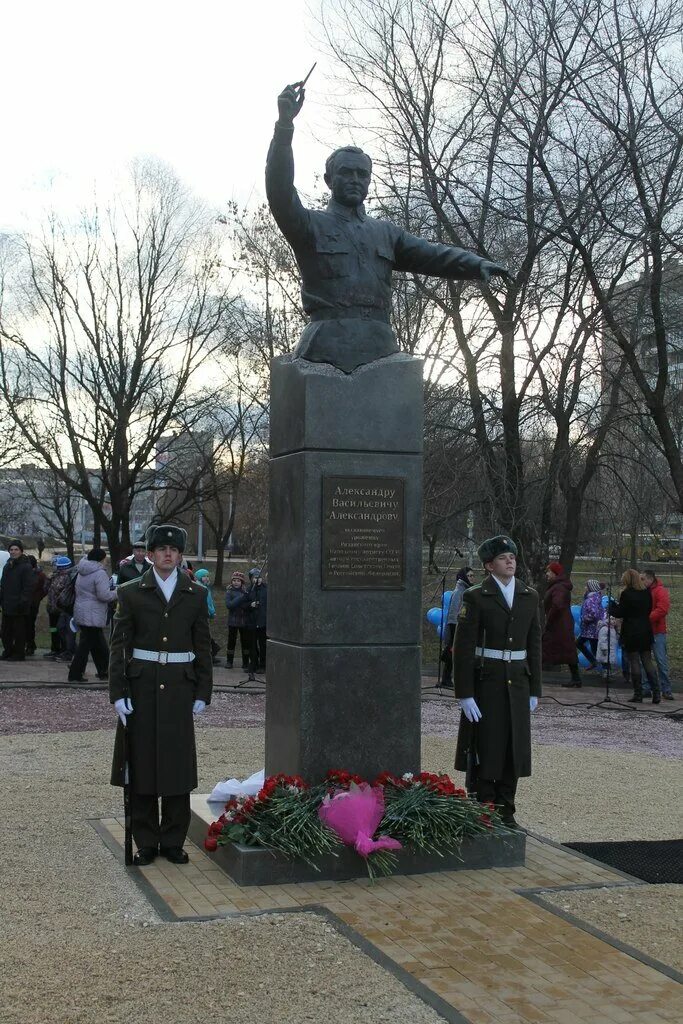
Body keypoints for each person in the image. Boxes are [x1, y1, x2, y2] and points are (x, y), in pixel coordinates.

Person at [266, 82, 508, 374]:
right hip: (325, 343)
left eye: (362, 174)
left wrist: (476, 264)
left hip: (379, 344)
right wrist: (284, 127)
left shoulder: (385, 233)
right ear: (329, 180)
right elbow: (280, 192)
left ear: (369, 181)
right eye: (346, 172)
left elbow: (433, 255)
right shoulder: (310, 225)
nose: (355, 179)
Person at [109, 523, 213, 866]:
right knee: (141, 763)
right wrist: (118, 692)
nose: (168, 554)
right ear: (150, 554)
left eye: (174, 550)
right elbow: (118, 646)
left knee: (176, 763)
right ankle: (146, 840)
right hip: (141, 685)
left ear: (180, 555)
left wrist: (203, 689)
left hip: (180, 687)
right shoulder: (131, 592)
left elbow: (202, 646)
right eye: (161, 549)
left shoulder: (195, 593)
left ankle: (172, 839)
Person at [453, 535, 541, 827]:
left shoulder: (530, 595)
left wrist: (535, 688)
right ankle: (485, 807)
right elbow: (463, 648)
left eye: (512, 557)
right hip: (487, 681)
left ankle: (507, 808)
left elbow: (534, 644)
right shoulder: (476, 596)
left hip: (518, 680)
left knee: (513, 747)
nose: (510, 561)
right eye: (503, 558)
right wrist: (465, 693)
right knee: (488, 745)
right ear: (490, 565)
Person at [610, 569, 660, 703]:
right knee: (647, 660)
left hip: (632, 631)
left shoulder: (627, 594)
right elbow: (649, 609)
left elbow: (621, 612)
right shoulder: (646, 592)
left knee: (634, 661)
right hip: (645, 629)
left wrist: (612, 606)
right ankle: (656, 693)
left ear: (627, 580)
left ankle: (638, 694)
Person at [68, 548, 117, 682]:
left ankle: (105, 671)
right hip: (93, 613)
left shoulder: (82, 570)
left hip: (82, 610)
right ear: (101, 559)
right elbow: (104, 595)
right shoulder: (99, 573)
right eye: (105, 558)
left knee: (97, 644)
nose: (106, 560)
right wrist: (117, 592)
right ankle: (75, 674)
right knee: (86, 646)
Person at [542, 561, 581, 686]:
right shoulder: (559, 585)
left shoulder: (558, 587)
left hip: (559, 624)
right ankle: (576, 679)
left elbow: (557, 604)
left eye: (549, 572)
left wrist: (550, 619)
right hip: (561, 623)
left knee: (544, 648)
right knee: (566, 650)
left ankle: (531, 675)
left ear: (554, 573)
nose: (547, 574)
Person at [641, 570, 673, 700]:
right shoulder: (644, 590)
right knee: (644, 659)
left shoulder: (660, 591)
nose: (641, 581)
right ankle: (646, 687)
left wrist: (646, 619)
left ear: (650, 579)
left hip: (657, 631)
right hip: (645, 630)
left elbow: (663, 609)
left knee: (661, 661)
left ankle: (666, 689)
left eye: (643, 579)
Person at [441, 567, 475, 688]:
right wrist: (453, 630)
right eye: (469, 576)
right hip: (455, 626)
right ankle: (446, 679)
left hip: (462, 626)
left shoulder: (467, 590)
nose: (472, 578)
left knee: (455, 654)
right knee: (452, 653)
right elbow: (453, 612)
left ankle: (447, 678)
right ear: (463, 577)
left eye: (472, 575)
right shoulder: (459, 591)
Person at [0, 541, 34, 661]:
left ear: (21, 551)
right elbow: (3, 584)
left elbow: (28, 587)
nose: (13, 552)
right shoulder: (7, 566)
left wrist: (22, 602)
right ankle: (8, 651)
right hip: (7, 604)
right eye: (11, 549)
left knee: (19, 632)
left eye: (16, 549)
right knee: (5, 631)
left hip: (19, 606)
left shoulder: (26, 566)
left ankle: (19, 654)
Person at [225, 571, 253, 670]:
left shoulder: (246, 592)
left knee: (245, 642)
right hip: (232, 621)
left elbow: (248, 605)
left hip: (244, 621)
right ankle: (229, 661)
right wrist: (241, 598)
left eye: (238, 581)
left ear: (242, 582)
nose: (236, 582)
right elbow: (230, 605)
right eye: (234, 580)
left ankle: (245, 662)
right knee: (231, 641)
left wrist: (243, 603)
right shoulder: (229, 592)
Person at [194, 568, 221, 665]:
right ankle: (210, 654)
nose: (207, 578)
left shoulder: (204, 587)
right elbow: (206, 603)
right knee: (205, 636)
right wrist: (211, 612)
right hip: (203, 616)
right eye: (205, 576)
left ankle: (211, 653)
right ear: (200, 577)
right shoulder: (202, 589)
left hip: (205, 615)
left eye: (207, 576)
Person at [576, 579, 603, 670]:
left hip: (591, 629)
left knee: (580, 644)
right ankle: (599, 664)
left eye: (586, 586)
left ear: (591, 588)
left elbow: (594, 614)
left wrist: (585, 619)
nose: (585, 588)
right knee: (594, 648)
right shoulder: (595, 598)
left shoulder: (591, 599)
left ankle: (603, 667)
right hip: (590, 630)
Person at [25, 555, 48, 656]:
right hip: (24, 602)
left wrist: (38, 598)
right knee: (24, 625)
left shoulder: (41, 575)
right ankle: (28, 644)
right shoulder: (25, 574)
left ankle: (30, 645)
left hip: (33, 603)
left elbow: (45, 588)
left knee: (29, 625)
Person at [247, 567, 268, 673]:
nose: (258, 579)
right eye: (255, 577)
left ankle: (263, 664)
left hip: (263, 621)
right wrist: (250, 605)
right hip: (251, 621)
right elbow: (243, 604)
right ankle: (253, 663)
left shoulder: (266, 589)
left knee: (263, 644)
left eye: (259, 577)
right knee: (252, 645)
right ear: (251, 579)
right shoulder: (249, 590)